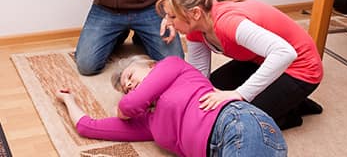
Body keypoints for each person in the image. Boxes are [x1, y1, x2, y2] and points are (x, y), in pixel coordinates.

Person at [155, 0, 324, 130]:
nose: (168, 22)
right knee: (209, 97)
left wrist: (240, 93)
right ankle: (285, 99)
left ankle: (291, 112)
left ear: (195, 13)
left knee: (235, 119)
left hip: (301, 69)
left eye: (172, 16)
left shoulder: (228, 23)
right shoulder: (195, 28)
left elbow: (285, 53)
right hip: (260, 60)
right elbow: (199, 76)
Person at [56, 55, 288, 157]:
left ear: (151, 66)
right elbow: (89, 127)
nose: (128, 85)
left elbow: (128, 106)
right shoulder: (148, 122)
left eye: (129, 76)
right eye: (125, 89)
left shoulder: (173, 67)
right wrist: (69, 100)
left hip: (236, 124)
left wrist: (127, 105)